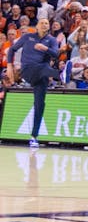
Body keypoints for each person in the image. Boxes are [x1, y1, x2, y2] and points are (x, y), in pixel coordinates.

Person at [6, 18, 61, 148]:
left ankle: (34, 137)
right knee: (43, 68)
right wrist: (9, 66)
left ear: (49, 27)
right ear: (36, 26)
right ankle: (59, 75)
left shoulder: (52, 40)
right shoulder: (28, 37)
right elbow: (12, 50)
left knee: (40, 104)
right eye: (41, 22)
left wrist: (45, 48)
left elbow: (56, 54)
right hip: (28, 70)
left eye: (47, 23)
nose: (44, 24)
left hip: (42, 75)